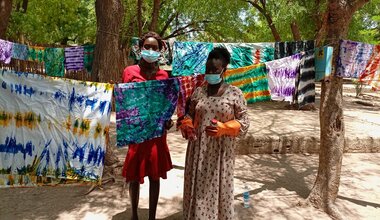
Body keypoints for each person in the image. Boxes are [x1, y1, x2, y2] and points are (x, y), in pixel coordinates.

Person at [178, 47, 250, 219]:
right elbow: (190, 114)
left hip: (221, 152)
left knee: (218, 187)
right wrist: (187, 123)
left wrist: (224, 128)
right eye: (207, 70)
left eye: (215, 70)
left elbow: (245, 123)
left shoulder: (234, 93)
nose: (210, 73)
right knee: (198, 188)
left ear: (224, 69)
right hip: (198, 150)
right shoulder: (198, 92)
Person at [121, 31, 173, 220]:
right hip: (136, 131)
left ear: (160, 51)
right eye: (147, 47)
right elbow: (123, 101)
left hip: (157, 134)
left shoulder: (164, 75)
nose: (150, 50)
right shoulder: (129, 72)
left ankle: (152, 217)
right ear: (140, 48)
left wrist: (168, 119)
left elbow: (167, 103)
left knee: (155, 174)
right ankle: (134, 215)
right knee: (134, 175)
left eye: (155, 48)